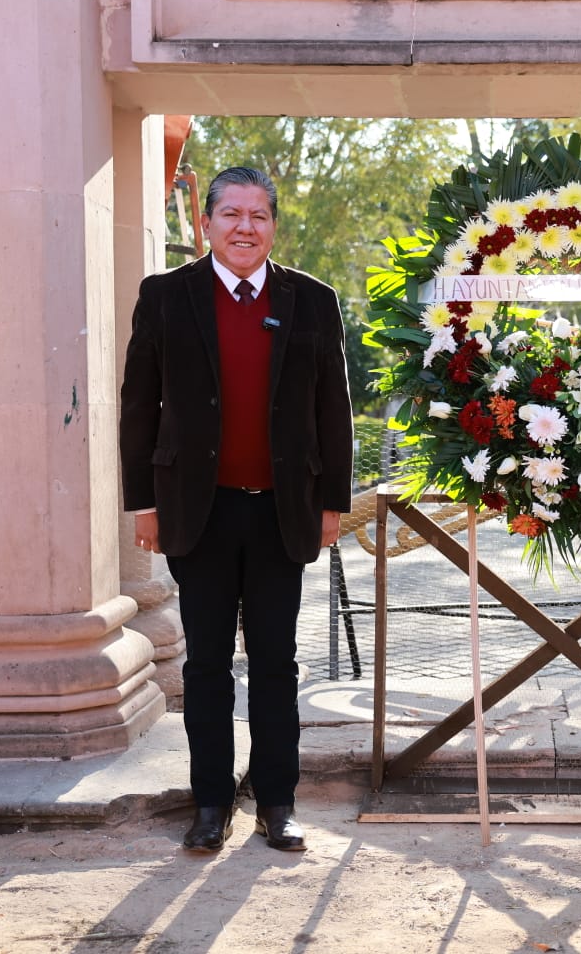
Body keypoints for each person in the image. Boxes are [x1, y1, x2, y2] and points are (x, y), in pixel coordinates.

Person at [120, 166, 354, 854]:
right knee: (206, 667)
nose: (245, 227)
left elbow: (331, 410)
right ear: (206, 225)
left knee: (278, 663)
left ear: (273, 225)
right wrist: (142, 503)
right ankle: (211, 803)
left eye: (258, 215)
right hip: (199, 512)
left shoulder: (312, 300)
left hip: (285, 512)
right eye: (232, 215)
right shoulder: (166, 297)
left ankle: (277, 802)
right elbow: (139, 407)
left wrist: (332, 503)